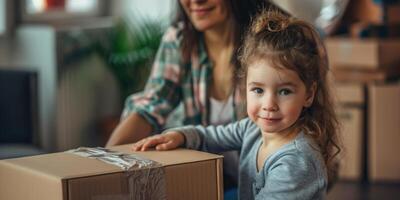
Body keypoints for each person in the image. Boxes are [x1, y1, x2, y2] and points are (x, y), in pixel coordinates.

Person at [132, 9, 341, 200]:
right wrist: (179, 136)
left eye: (284, 91)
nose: (269, 105)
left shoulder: (296, 163)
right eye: (258, 90)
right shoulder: (252, 129)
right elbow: (209, 137)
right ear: (245, 88)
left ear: (309, 94)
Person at [106, 0, 271, 194]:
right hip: (214, 183)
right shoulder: (179, 39)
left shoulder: (273, 39)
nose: (195, 1)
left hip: (266, 186)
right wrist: (104, 163)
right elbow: (150, 106)